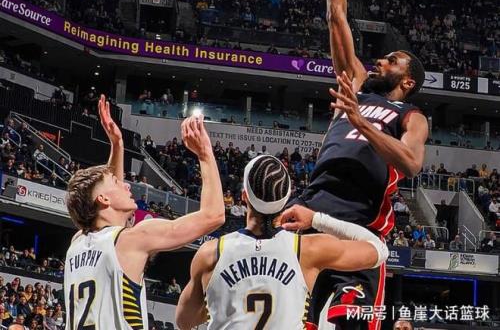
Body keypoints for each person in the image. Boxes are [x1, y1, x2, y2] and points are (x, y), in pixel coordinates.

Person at [287, 0, 428, 329]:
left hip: (359, 230)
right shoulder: (359, 84)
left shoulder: (412, 116)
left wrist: (361, 123)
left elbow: (411, 163)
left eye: (392, 60)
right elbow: (337, 15)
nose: (381, 60)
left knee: (352, 322)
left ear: (408, 82)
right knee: (292, 320)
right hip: (309, 212)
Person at [64, 95, 225, 330]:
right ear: (104, 199)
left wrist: (117, 145)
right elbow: (214, 215)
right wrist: (205, 154)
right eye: (118, 183)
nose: (127, 186)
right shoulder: (133, 239)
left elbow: (105, 209)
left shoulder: (77, 243)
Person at [176, 155, 388, 330]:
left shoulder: (210, 253)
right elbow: (378, 249)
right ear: (287, 198)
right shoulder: (308, 250)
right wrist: (316, 219)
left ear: (244, 196)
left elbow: (184, 321)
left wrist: (226, 301)